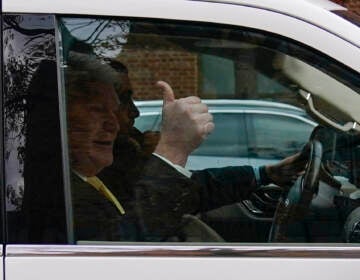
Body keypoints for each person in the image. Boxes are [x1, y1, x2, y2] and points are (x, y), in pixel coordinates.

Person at [95, 59, 307, 241]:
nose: (135, 112)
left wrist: (266, 174)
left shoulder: (123, 154)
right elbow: (131, 238)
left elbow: (193, 190)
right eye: (121, 100)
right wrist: (171, 150)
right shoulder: (80, 181)